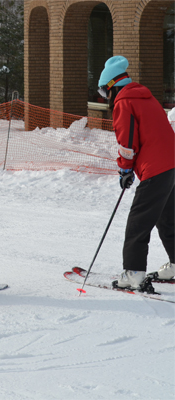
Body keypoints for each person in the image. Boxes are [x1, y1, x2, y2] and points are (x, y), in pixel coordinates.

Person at [96, 56, 175, 290]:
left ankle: (133, 274)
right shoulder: (146, 97)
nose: (105, 97)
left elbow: (127, 142)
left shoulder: (124, 102)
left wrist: (125, 169)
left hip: (156, 167)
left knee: (138, 222)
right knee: (167, 218)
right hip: (171, 163)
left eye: (103, 92)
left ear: (112, 86)